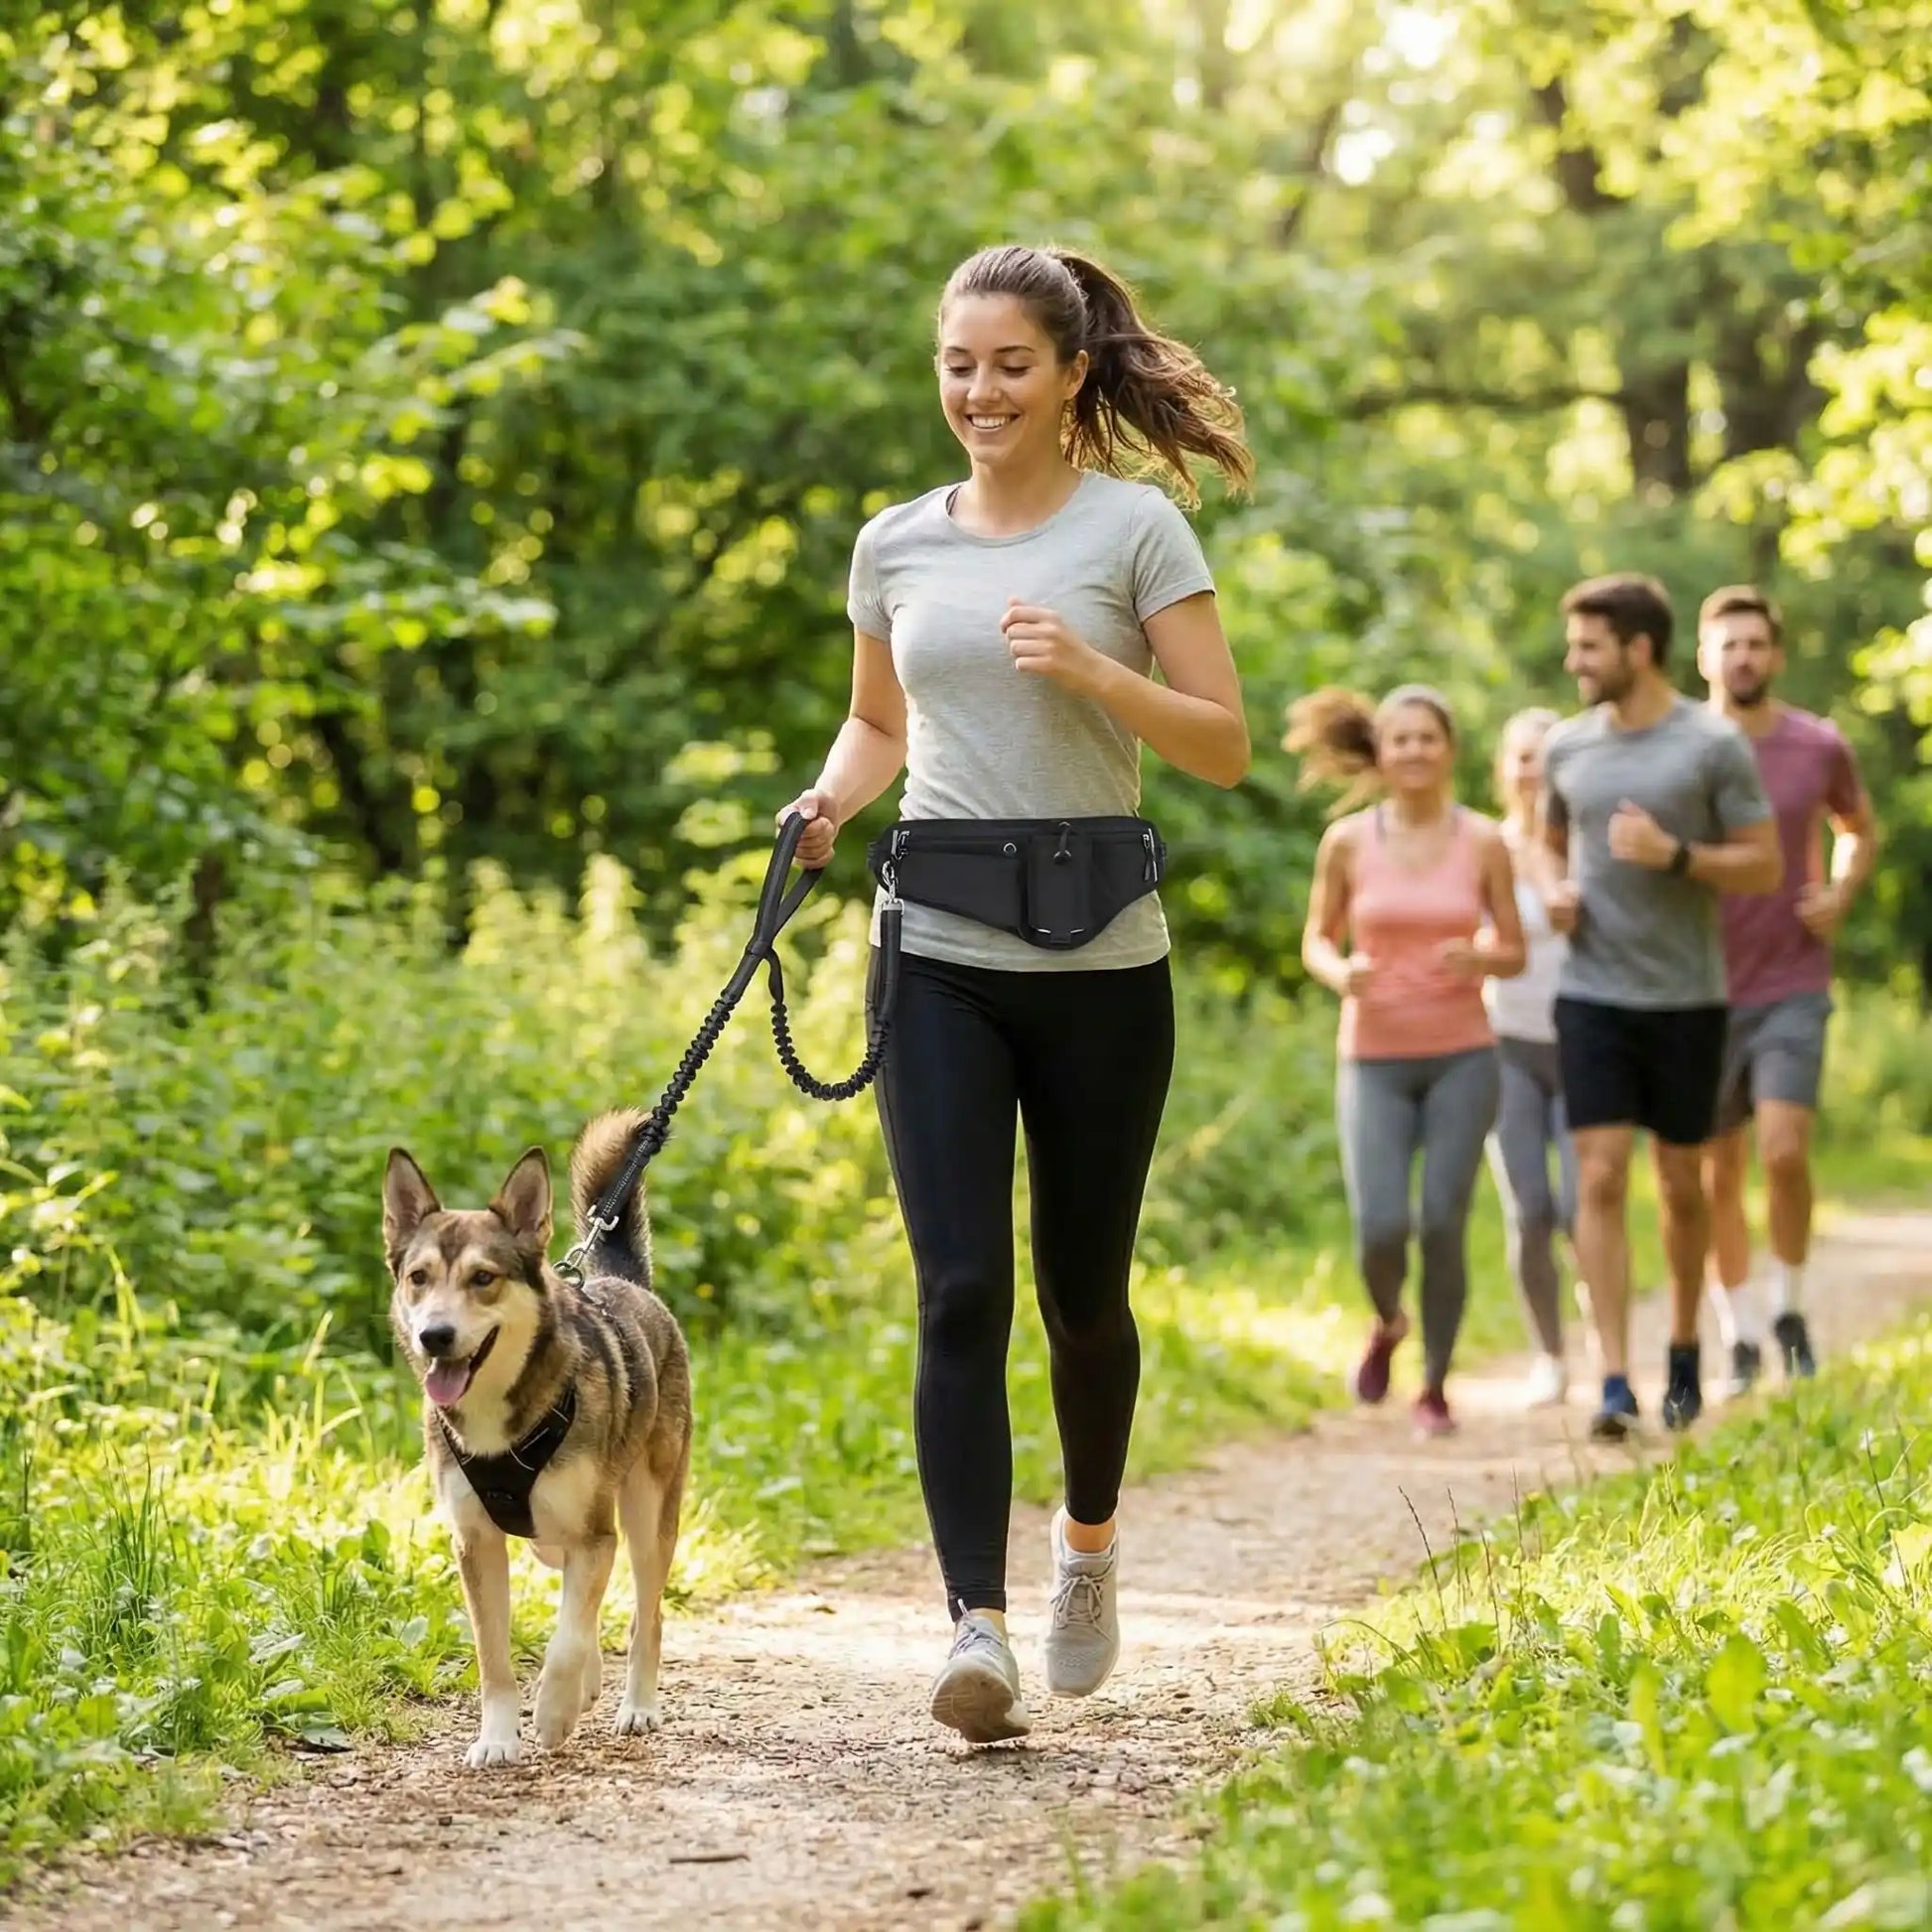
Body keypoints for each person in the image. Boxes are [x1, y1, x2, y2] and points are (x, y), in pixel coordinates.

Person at [776, 243, 1252, 1745]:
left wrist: (1098, 678)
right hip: (939, 948)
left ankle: (1088, 1548)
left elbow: (1225, 745)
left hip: (1105, 960)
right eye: (956, 365)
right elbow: (874, 719)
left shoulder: (1139, 531)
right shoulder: (893, 545)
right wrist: (828, 801)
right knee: (960, 1287)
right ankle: (970, 1625)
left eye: (1007, 366)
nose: (977, 392)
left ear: (1066, 377)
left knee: (1081, 1298)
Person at [1540, 574, 1781, 1442]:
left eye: (1589, 647)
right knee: (1599, 1175)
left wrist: (1673, 854)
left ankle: (1683, 1347)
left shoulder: (1712, 744)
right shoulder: (1566, 747)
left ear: (1638, 650)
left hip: (1688, 998)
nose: (1574, 661)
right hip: (1592, 992)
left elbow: (1762, 865)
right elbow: (1546, 840)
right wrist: (1556, 891)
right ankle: (1612, 1375)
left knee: (1683, 1186)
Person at [1289, 685, 1525, 1438]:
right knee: (1381, 1224)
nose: (1416, 751)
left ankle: (1434, 1385)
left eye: (1429, 738)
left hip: (1463, 1053)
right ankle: (1391, 1320)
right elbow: (1316, 939)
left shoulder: (1485, 841)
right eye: (1402, 739)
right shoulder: (1350, 843)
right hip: (1373, 1055)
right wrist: (1338, 972)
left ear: (1450, 750)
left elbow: (1516, 949)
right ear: (1380, 753)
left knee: (1443, 1220)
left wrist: (1482, 956)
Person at [1697, 585, 1879, 1394]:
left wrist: (1839, 895)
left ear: (1776, 655)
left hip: (1792, 979)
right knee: (1717, 1171)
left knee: (1784, 1149)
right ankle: (1737, 1333)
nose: (1743, 657)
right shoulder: (1680, 744)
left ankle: (1791, 1308)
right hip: (1696, 987)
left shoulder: (1817, 744)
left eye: (1755, 645)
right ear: (1703, 656)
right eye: (1728, 644)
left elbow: (1859, 829)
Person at [1484, 706, 1582, 1408]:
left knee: (1582, 1206)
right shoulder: (1481, 847)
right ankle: (1549, 1356)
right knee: (1528, 1211)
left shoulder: (1590, 847)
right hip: (1505, 1045)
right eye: (1522, 755)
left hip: (1584, 1044)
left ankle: (1604, 1333)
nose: (1534, 768)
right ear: (1504, 768)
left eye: (1547, 755)